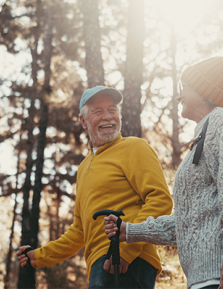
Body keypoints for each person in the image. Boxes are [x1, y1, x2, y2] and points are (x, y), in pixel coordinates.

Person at [104, 57, 223, 289]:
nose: (178, 96)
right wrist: (131, 230)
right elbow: (190, 221)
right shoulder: (204, 134)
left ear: (205, 92)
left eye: (184, 89)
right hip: (210, 278)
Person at [16, 85, 173, 289]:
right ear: (83, 121)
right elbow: (80, 230)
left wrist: (125, 250)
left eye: (112, 109)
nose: (107, 116)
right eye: (97, 111)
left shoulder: (134, 147)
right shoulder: (83, 168)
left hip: (130, 261)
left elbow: (160, 200)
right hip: (100, 265)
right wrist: (38, 257)